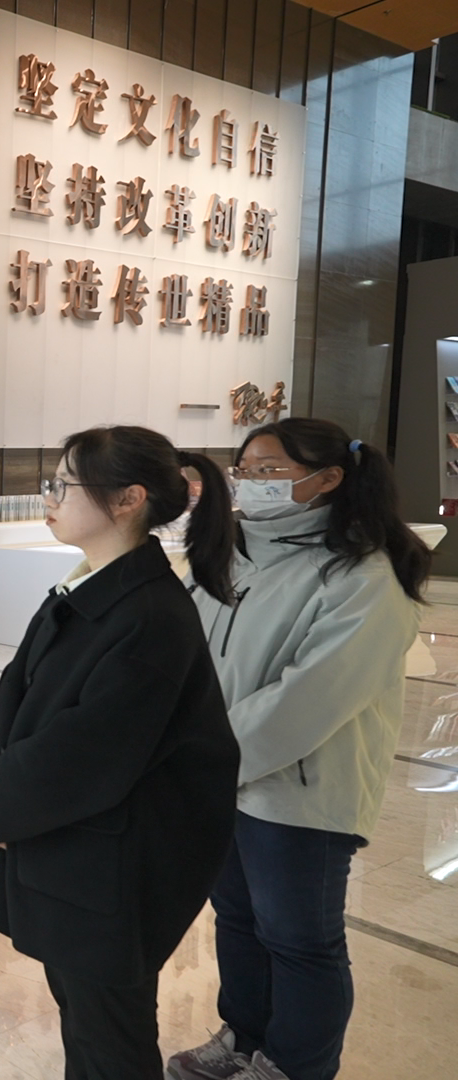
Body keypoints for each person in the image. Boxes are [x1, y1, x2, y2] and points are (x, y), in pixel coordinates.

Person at [0, 425, 241, 1078]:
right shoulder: (94, 588)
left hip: (112, 870)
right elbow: (26, 708)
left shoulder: (149, 617)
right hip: (77, 855)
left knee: (110, 1041)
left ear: (127, 499)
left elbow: (83, 754)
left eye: (64, 484)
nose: (49, 497)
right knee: (85, 1024)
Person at [169, 420, 430, 1080]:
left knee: (299, 939)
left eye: (269, 471)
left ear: (329, 478)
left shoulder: (363, 575)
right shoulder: (230, 557)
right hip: (219, 780)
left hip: (301, 792)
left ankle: (294, 1065)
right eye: (245, 470)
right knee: (236, 919)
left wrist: (205, 754)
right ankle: (245, 1036)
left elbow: (309, 698)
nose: (251, 483)